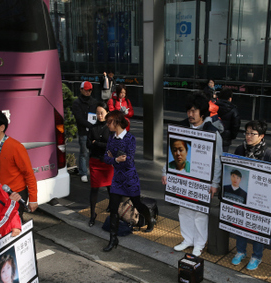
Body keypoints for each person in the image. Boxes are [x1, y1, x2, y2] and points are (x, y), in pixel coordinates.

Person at [162, 92, 223, 257]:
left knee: (200, 212)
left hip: (203, 180)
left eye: (194, 111)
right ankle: (188, 239)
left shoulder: (212, 132)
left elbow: (218, 160)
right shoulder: (180, 127)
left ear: (202, 112)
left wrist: (214, 183)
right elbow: (170, 152)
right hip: (183, 177)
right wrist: (165, 172)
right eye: (188, 110)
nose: (190, 114)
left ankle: (200, 243)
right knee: (184, 209)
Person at [230, 120, 271, 270]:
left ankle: (257, 256)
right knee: (241, 223)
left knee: (257, 226)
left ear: (262, 136)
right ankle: (241, 251)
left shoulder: (269, 155)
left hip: (260, 200)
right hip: (242, 195)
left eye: (253, 133)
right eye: (247, 133)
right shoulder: (240, 149)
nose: (249, 136)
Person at [102, 110, 155, 252]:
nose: (107, 125)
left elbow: (129, 161)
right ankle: (113, 239)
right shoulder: (111, 137)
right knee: (113, 209)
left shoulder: (130, 138)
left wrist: (115, 159)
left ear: (117, 122)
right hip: (117, 178)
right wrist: (115, 159)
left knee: (137, 203)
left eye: (109, 122)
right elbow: (105, 158)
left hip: (130, 178)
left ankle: (150, 220)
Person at [0, 110, 38, 217]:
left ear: (2, 127)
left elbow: (28, 173)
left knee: (14, 225)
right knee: (2, 223)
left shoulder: (15, 147)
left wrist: (33, 199)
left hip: (16, 193)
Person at [87, 101, 114, 226]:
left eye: (102, 113)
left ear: (107, 113)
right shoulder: (93, 127)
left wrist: (96, 143)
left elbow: (110, 146)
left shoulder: (110, 127)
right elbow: (88, 144)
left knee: (110, 187)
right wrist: (98, 145)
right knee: (94, 189)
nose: (99, 116)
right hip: (95, 162)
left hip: (107, 162)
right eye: (97, 113)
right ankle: (92, 215)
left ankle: (112, 208)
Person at [71, 81, 97, 182]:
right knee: (84, 152)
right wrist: (91, 125)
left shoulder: (94, 102)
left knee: (92, 152)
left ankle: (92, 172)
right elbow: (79, 118)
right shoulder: (77, 103)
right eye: (86, 90)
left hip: (93, 131)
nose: (88, 92)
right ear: (81, 89)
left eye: (90, 90)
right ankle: (83, 172)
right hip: (84, 131)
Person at [215, 88, 241, 152]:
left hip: (213, 135)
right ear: (230, 98)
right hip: (225, 138)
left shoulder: (213, 107)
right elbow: (235, 125)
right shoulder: (233, 110)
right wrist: (231, 136)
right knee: (222, 157)